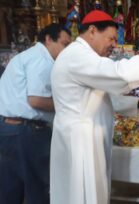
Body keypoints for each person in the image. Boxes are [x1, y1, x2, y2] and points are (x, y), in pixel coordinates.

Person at [50, 10, 139, 204]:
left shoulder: (82, 57)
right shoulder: (77, 56)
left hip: (85, 134)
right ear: (92, 31)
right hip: (80, 140)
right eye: (111, 38)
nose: (114, 45)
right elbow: (121, 73)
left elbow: (100, 98)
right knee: (81, 195)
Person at [0, 23, 71, 204]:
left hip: (9, 128)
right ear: (48, 39)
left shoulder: (26, 56)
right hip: (28, 132)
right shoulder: (43, 59)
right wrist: (68, 104)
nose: (67, 50)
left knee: (10, 189)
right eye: (64, 44)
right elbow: (37, 100)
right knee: (39, 188)